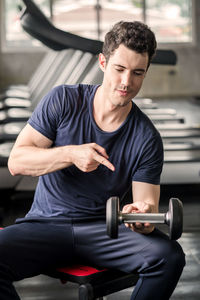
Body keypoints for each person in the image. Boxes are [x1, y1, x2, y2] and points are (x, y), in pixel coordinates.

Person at [0, 21, 185, 300]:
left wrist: (141, 218)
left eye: (137, 73)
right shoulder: (63, 100)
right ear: (103, 62)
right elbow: (17, 161)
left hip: (104, 232)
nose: (126, 82)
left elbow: (146, 206)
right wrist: (70, 153)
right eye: (119, 69)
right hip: (45, 225)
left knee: (168, 257)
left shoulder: (147, 137)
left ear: (145, 73)